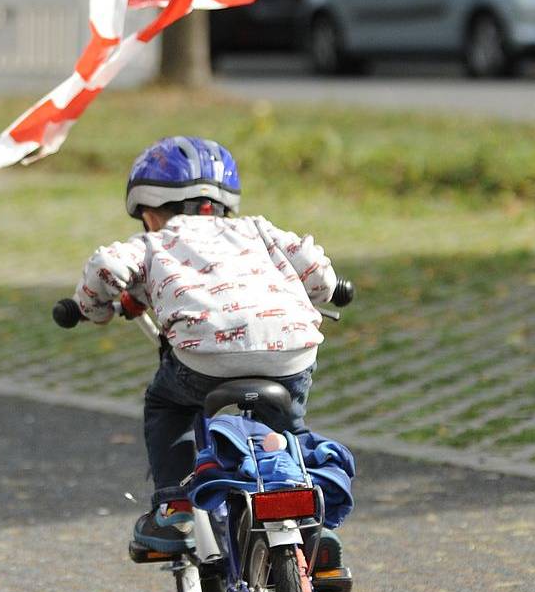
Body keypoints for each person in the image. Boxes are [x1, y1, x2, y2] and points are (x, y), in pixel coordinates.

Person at [70, 137, 342, 558]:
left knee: (167, 405)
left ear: (149, 212)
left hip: (205, 359)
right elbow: (319, 274)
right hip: (290, 353)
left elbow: (106, 267)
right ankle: (312, 525)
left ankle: (174, 506)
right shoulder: (258, 228)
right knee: (289, 429)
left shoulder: (154, 241)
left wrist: (93, 309)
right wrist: (327, 292)